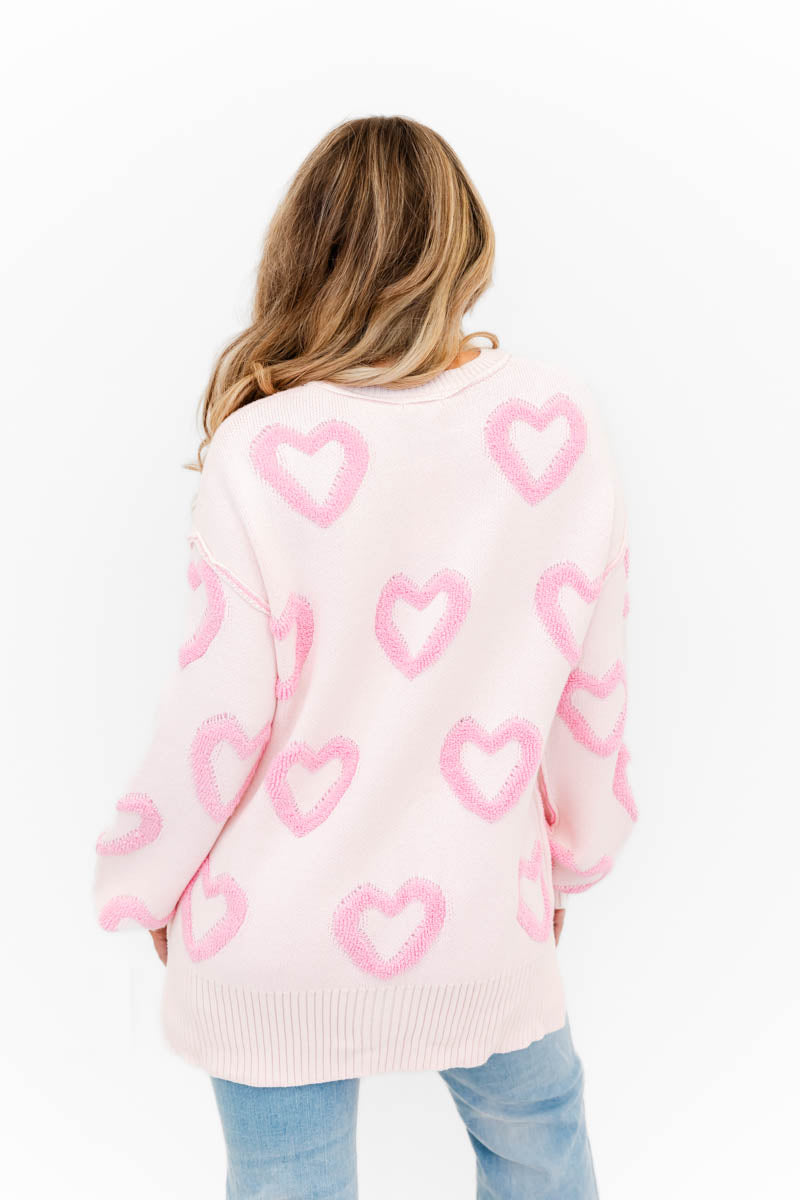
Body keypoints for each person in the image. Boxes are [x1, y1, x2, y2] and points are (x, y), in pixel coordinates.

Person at [92, 114, 635, 1199]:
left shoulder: (259, 450)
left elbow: (213, 722)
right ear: (465, 243)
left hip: (268, 933)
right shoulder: (556, 424)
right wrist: (570, 858)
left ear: (305, 249)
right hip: (481, 914)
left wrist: (144, 884)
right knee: (540, 1140)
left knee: (284, 1177)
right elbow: (592, 687)